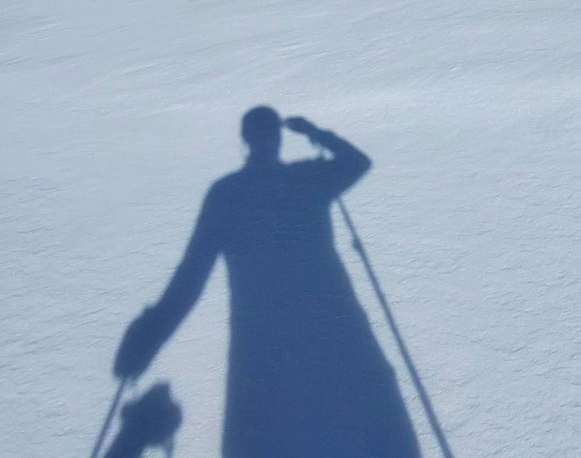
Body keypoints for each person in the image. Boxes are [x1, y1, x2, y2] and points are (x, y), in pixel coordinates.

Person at [113, 107, 421, 458]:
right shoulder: (309, 177)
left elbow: (189, 280)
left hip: (263, 350)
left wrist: (148, 337)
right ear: (277, 136)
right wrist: (314, 132)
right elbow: (357, 162)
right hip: (337, 334)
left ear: (245, 139)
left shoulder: (226, 194)